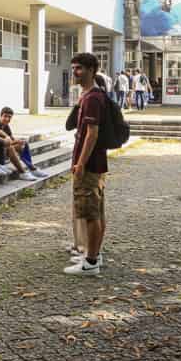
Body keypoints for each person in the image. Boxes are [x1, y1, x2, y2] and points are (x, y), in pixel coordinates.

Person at [65, 52, 112, 276]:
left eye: (80, 68)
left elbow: (92, 134)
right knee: (97, 211)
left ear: (92, 70)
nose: (75, 72)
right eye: (74, 68)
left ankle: (91, 262)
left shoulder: (93, 98)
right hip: (96, 163)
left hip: (90, 164)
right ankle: (94, 254)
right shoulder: (90, 95)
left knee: (90, 213)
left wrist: (81, 163)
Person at [0, 102, 43, 180]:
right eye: (5, 116)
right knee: (10, 147)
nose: (7, 119)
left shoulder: (3, 126)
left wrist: (13, 139)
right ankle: (23, 171)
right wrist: (5, 140)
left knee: (22, 145)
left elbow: (7, 137)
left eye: (9, 117)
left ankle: (31, 168)